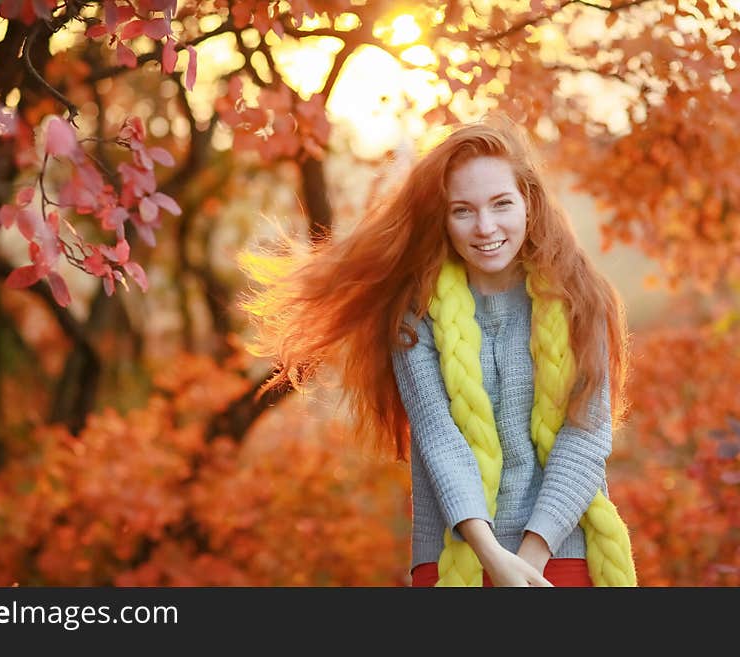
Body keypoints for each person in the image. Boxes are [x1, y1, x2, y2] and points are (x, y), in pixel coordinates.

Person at [237, 114, 636, 587]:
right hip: (456, 557)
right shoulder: (415, 314)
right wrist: (492, 557)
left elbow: (586, 438)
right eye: (462, 210)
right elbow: (439, 440)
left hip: (565, 554)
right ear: (441, 218)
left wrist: (528, 559)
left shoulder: (582, 301)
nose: (484, 226)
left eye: (501, 204)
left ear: (529, 203)